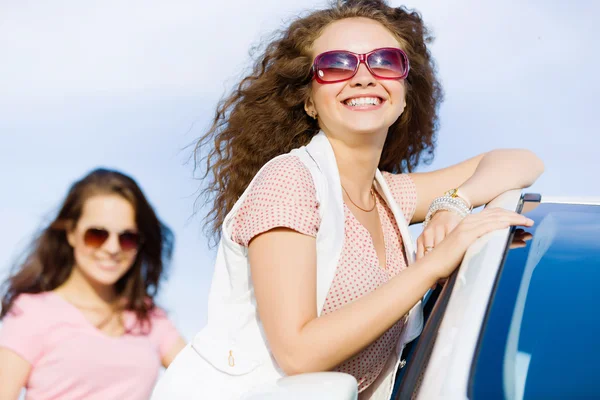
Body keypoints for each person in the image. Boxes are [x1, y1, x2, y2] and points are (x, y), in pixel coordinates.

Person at [152, 0, 544, 399]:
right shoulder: (289, 181)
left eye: (385, 61)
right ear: (308, 101)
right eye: (337, 64)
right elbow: (299, 353)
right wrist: (430, 268)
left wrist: (454, 202)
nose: (362, 76)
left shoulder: (388, 196)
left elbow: (521, 161)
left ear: (405, 95)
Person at [0, 168, 187, 400]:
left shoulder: (148, 316)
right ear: (71, 233)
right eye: (97, 235)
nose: (112, 248)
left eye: (127, 237)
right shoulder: (31, 312)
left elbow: (203, 378)